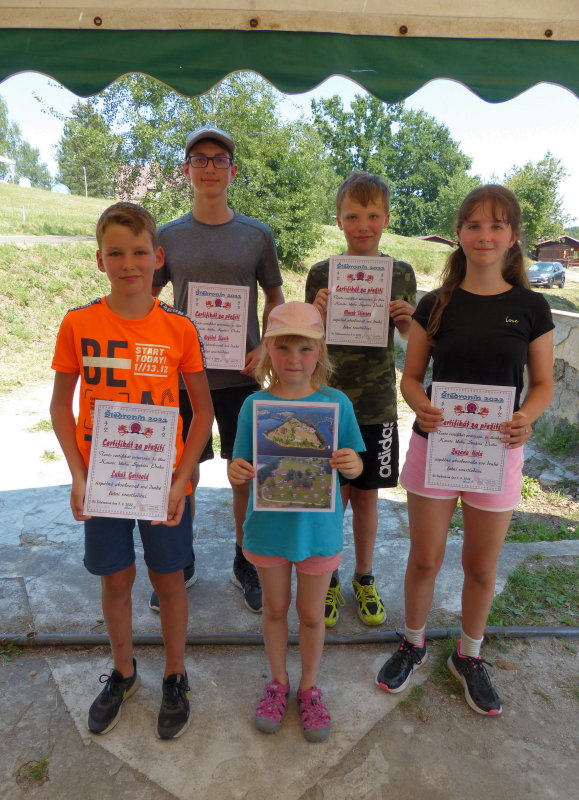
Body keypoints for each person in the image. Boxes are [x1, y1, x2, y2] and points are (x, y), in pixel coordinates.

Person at [376, 185, 554, 715]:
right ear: (459, 234)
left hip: (497, 453)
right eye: (474, 225)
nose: (485, 235)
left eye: (497, 225)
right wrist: (421, 405)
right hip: (437, 448)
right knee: (425, 558)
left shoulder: (531, 306)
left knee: (480, 566)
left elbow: (542, 384)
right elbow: (411, 377)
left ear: (513, 236)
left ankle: (468, 654)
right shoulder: (435, 304)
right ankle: (412, 643)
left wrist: (525, 418)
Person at [50, 202, 214, 739]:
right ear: (100, 260)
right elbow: (60, 406)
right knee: (115, 580)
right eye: (116, 253)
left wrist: (182, 479)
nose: (128, 263)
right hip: (103, 481)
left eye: (139, 252)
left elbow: (203, 412)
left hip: (162, 483)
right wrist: (78, 475)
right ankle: (123, 672)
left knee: (169, 580)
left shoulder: (179, 327)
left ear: (158, 257)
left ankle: (175, 674)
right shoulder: (78, 324)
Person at [150, 124, 285, 615]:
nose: (210, 168)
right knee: (182, 473)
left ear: (233, 170)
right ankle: (179, 559)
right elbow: (149, 300)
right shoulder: (167, 236)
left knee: (243, 475)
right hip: (184, 382)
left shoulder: (257, 235)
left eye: (219, 159)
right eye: (200, 160)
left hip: (240, 379)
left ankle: (244, 561)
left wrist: (266, 344)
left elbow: (275, 297)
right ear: (186, 171)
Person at [228, 302, 365, 742]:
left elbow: (355, 463)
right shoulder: (254, 405)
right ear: (268, 349)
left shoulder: (336, 404)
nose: (293, 359)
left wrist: (352, 464)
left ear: (319, 352)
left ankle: (308, 688)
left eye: (305, 348)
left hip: (318, 533)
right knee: (274, 609)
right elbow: (239, 464)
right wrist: (236, 471)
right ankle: (277, 683)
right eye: (283, 347)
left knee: (310, 614)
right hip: (268, 530)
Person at [305, 172, 416, 627]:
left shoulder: (401, 273)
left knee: (367, 498)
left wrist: (407, 320)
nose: (363, 225)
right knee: (331, 498)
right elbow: (305, 342)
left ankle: (364, 577)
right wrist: (315, 314)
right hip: (326, 403)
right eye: (353, 216)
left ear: (386, 219)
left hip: (376, 405)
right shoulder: (321, 274)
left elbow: (412, 340)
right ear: (339, 220)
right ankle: (327, 578)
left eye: (372, 216)